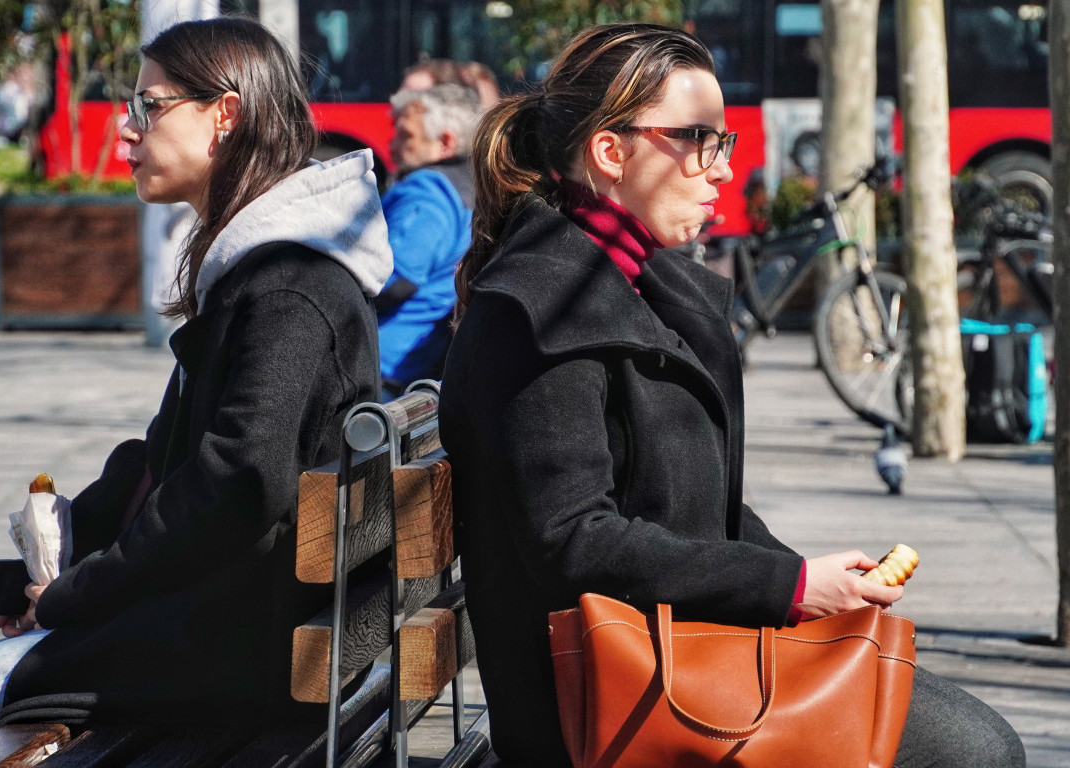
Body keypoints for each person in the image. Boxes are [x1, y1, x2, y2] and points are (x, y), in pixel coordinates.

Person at [439, 22, 1025, 768]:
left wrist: (812, 581)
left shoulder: (625, 280)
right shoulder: (538, 310)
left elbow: (694, 501)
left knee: (967, 738)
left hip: (679, 649)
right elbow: (573, 541)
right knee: (976, 753)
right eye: (698, 140)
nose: (722, 169)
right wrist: (787, 586)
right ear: (610, 152)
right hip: (611, 698)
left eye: (726, 142)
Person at [0, 17, 392, 766]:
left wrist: (72, 598)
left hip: (236, 648)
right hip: (242, 622)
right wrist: (58, 564)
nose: (127, 131)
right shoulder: (261, 271)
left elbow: (235, 483)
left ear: (226, 114)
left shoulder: (288, 287)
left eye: (148, 107)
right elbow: (168, 459)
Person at [376, 84, 482, 397]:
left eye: (405, 135)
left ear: (445, 142)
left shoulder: (428, 191)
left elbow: (396, 280)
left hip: (383, 367)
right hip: (419, 364)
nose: (393, 145)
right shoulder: (471, 187)